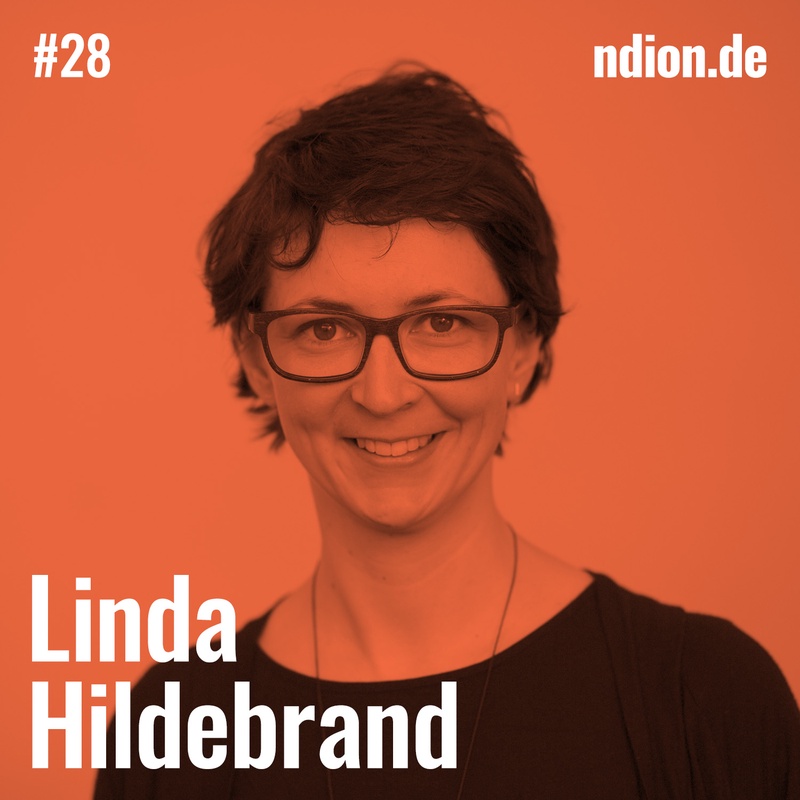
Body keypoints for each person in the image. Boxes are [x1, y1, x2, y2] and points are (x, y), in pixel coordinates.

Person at [95, 66, 800, 799]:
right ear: (256, 359)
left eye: (441, 323)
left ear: (524, 347)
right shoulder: (173, 734)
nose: (384, 394)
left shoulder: (703, 699)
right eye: (325, 329)